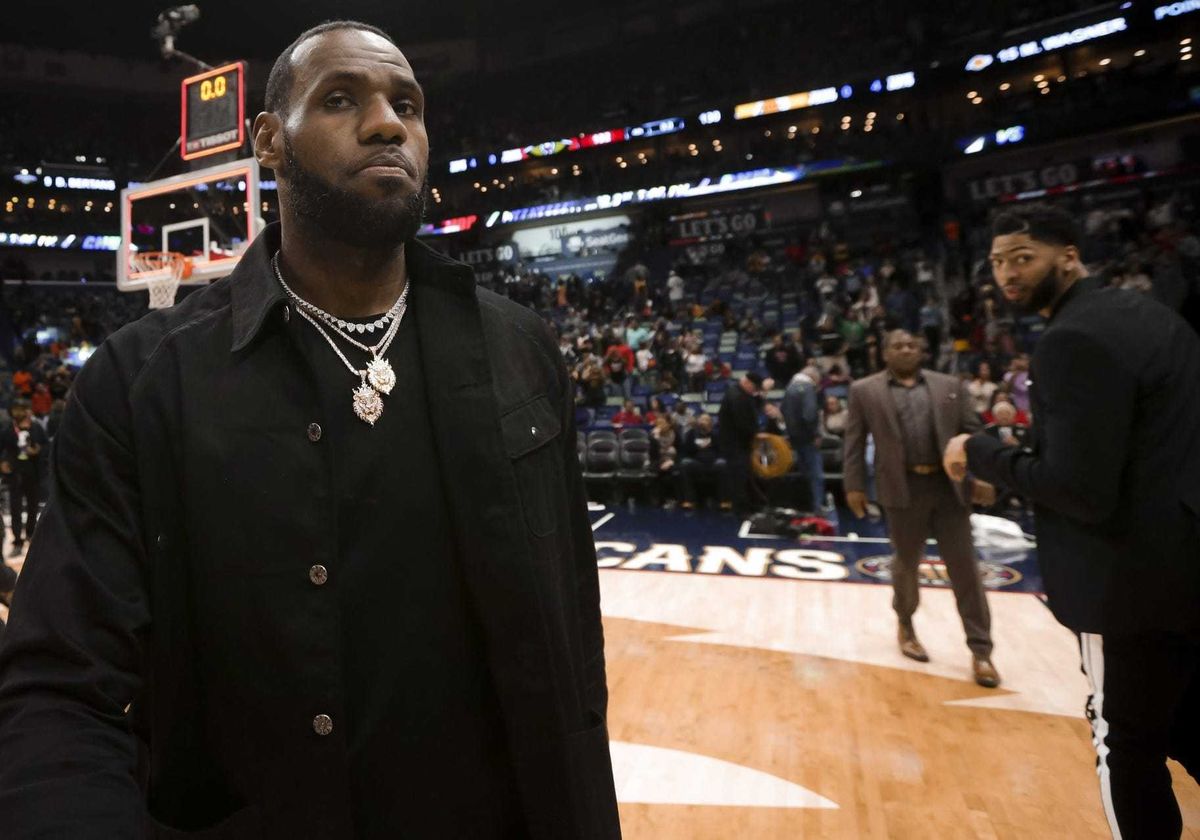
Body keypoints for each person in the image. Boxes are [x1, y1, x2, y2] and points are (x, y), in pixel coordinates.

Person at [0, 22, 619, 839]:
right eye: (340, 100)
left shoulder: (521, 350)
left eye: (407, 104)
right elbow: (60, 688)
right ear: (268, 143)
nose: (387, 123)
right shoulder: (138, 381)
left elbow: (571, 647)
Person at [945, 205, 1200, 839]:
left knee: (1125, 746)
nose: (1008, 273)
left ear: (1068, 254)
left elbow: (1079, 492)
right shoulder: (1152, 315)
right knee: (1187, 721)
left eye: (1023, 257)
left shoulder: (1069, 339)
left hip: (1126, 581)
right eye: (998, 261)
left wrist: (979, 453)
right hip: (1186, 559)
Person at [843, 330, 999, 688]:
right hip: (901, 490)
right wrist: (853, 485)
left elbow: (973, 433)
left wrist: (984, 475)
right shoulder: (864, 390)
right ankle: (906, 624)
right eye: (897, 345)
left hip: (949, 488)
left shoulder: (949, 385)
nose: (905, 350)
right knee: (906, 566)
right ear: (885, 353)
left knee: (966, 571)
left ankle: (981, 651)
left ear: (921, 350)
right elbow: (853, 440)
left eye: (911, 345)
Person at [717, 373, 783, 517]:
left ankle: (752, 505)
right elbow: (743, 424)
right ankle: (741, 510)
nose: (755, 392)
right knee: (739, 478)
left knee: (746, 476)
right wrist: (757, 434)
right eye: (754, 388)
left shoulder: (741, 393)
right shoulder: (737, 397)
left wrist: (764, 401)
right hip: (735, 445)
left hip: (740, 444)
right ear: (747, 383)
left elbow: (755, 399)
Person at [0, 399, 47, 558]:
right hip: (15, 474)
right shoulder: (7, 430)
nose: (26, 414)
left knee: (33, 506)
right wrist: (2, 462)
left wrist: (37, 450)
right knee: (15, 508)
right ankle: (18, 542)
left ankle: (31, 535)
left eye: (26, 410)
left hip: (32, 473)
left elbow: (46, 446)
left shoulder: (36, 428)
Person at [782, 365, 826, 512]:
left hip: (795, 438)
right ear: (813, 377)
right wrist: (815, 434)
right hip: (808, 438)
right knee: (815, 474)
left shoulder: (790, 388)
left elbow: (783, 411)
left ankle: (805, 505)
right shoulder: (807, 388)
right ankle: (817, 507)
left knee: (804, 473)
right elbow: (810, 414)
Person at [678, 413, 725, 509]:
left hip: (713, 462)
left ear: (710, 423)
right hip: (697, 462)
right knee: (684, 464)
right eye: (701, 419)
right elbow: (686, 451)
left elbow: (721, 451)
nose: (703, 422)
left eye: (706, 420)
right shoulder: (692, 433)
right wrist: (696, 447)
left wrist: (710, 435)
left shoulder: (716, 434)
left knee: (723, 464)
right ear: (698, 421)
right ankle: (689, 500)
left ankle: (723, 500)